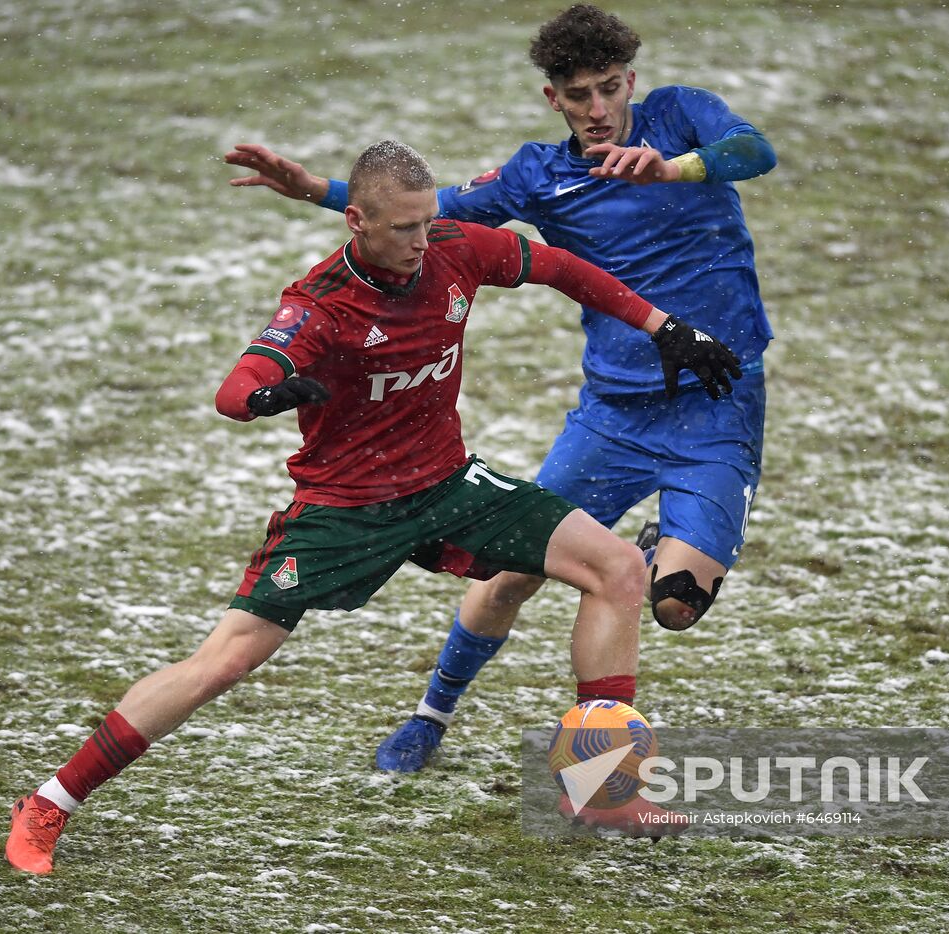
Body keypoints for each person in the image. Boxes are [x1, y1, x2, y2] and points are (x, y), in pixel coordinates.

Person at [5, 140, 737, 873]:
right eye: (403, 228)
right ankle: (47, 804)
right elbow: (234, 390)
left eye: (427, 221)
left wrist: (663, 327)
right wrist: (267, 396)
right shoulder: (320, 304)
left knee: (617, 568)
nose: (422, 241)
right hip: (345, 510)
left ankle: (603, 788)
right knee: (223, 662)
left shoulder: (452, 247)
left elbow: (558, 267)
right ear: (357, 221)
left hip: (447, 486)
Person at [225, 4, 778, 773]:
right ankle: (431, 714)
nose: (597, 108)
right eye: (578, 94)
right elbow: (432, 211)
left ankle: (652, 561)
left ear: (631, 82)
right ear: (553, 98)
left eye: (610, 88)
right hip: (613, 417)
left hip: (719, 407)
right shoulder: (539, 176)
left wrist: (673, 167)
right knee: (510, 575)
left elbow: (755, 150)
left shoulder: (682, 117)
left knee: (678, 604)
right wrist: (317, 188)